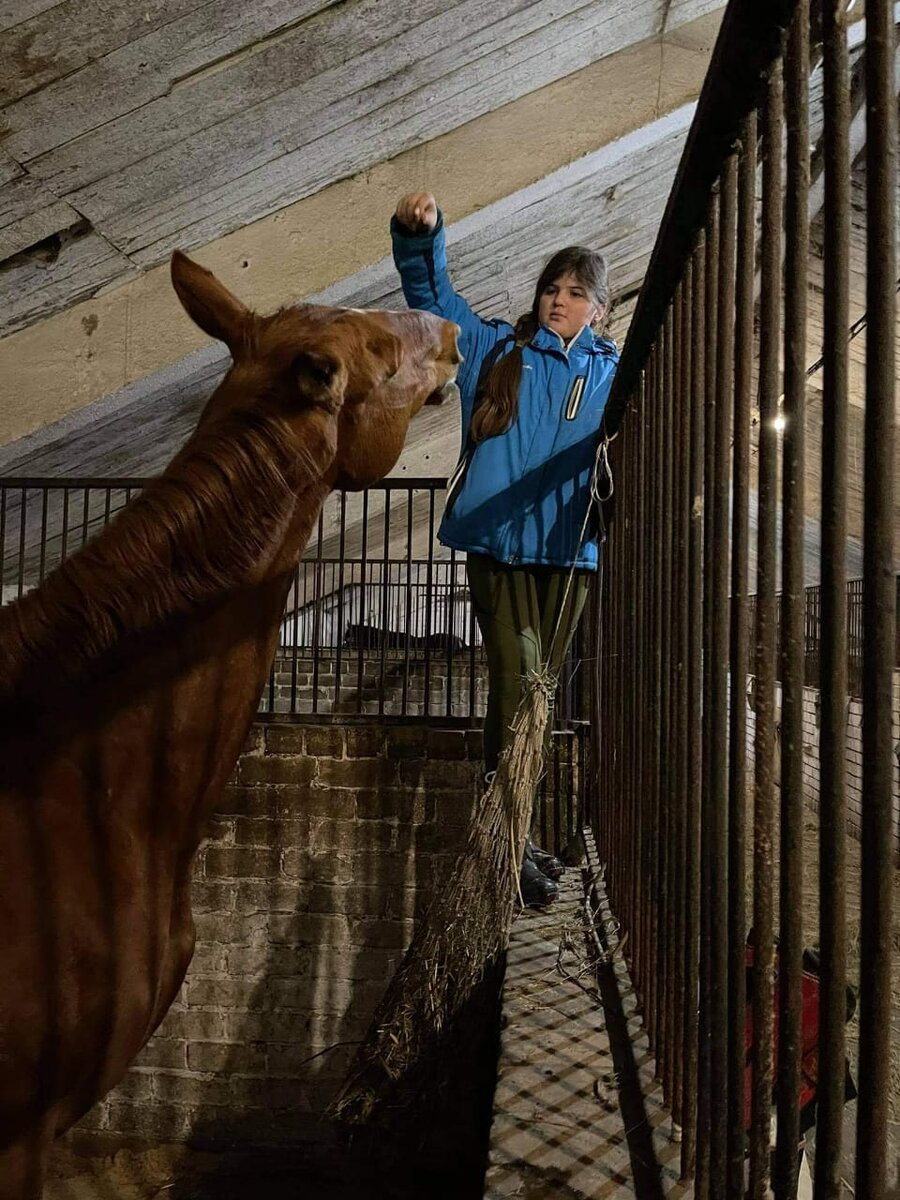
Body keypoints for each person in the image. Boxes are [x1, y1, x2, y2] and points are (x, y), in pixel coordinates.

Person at [391, 191, 618, 907]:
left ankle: (514, 835)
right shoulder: (498, 348)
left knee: (537, 701)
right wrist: (419, 234)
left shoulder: (614, 376)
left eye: (575, 293)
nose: (558, 300)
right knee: (519, 684)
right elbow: (435, 299)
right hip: (496, 544)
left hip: (568, 554)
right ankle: (504, 845)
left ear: (599, 311)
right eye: (552, 288)